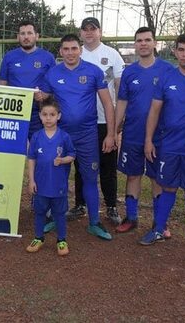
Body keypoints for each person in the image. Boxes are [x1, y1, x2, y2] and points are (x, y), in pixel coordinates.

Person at [36, 34, 116, 241]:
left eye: (73, 48)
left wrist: (110, 133)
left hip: (88, 134)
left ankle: (94, 222)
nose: (70, 53)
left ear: (80, 49)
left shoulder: (93, 71)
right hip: (61, 136)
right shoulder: (52, 74)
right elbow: (44, 102)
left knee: (90, 177)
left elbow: (108, 104)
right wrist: (40, 98)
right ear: (60, 52)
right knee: (58, 178)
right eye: (66, 49)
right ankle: (55, 216)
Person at [140, 34, 185, 246]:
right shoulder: (167, 77)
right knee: (167, 187)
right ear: (175, 51)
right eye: (181, 50)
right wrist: (149, 140)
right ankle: (159, 229)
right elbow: (154, 110)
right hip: (168, 144)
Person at [115, 27, 174, 234]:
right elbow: (122, 102)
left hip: (160, 135)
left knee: (157, 179)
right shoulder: (129, 72)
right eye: (139, 40)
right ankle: (131, 217)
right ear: (135, 44)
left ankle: (160, 222)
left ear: (155, 43)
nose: (143, 43)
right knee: (132, 175)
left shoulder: (167, 70)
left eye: (147, 40)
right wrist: (114, 130)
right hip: (132, 133)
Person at [69, 17, 124, 224]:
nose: (89, 33)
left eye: (93, 29)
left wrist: (117, 124)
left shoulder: (112, 54)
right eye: (85, 29)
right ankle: (80, 205)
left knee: (108, 166)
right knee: (81, 166)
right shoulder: (75, 52)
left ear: (100, 31)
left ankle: (111, 206)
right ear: (81, 33)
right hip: (81, 122)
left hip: (104, 120)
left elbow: (119, 88)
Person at [26, 97, 76, 256]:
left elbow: (72, 155)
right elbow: (32, 159)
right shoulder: (36, 136)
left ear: (58, 116)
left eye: (52, 114)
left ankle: (61, 240)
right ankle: (38, 237)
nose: (48, 118)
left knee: (59, 213)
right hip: (40, 184)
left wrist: (63, 160)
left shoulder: (64, 137)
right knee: (39, 212)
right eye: (45, 114)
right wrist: (31, 180)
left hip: (58, 184)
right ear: (40, 116)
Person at [0, 20, 56, 138]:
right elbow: (2, 85)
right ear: (17, 37)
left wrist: (44, 95)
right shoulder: (9, 56)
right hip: (14, 112)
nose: (26, 37)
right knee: (14, 149)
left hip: (39, 113)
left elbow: (54, 87)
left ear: (37, 36)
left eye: (30, 33)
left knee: (38, 149)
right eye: (22, 33)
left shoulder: (48, 57)